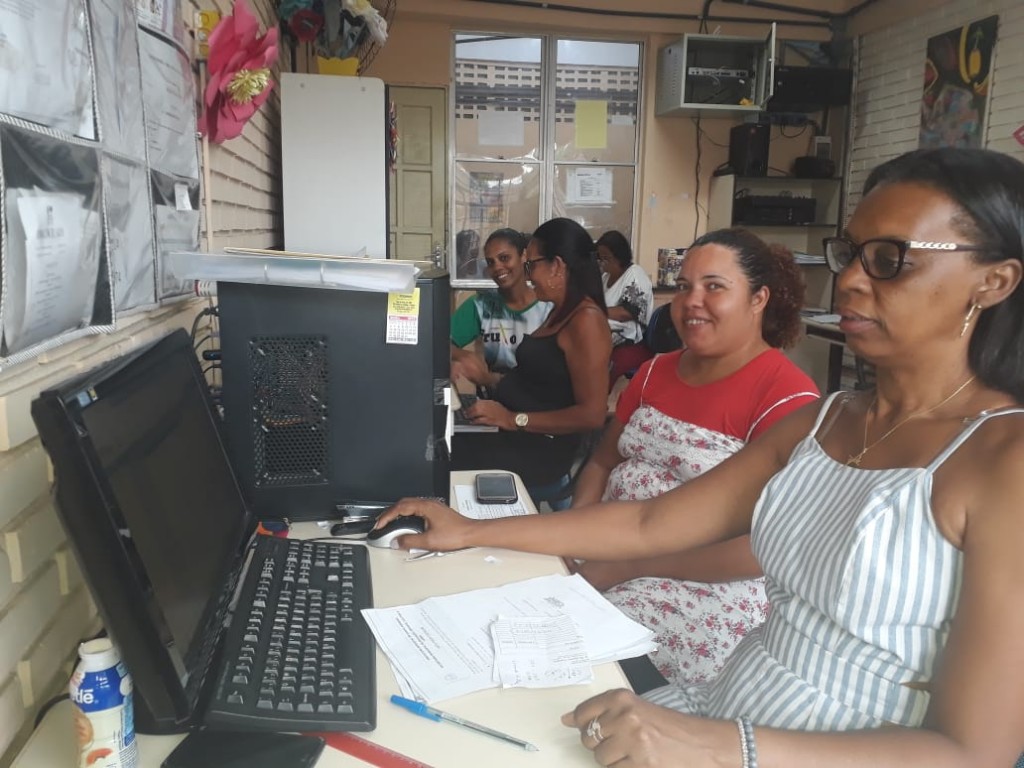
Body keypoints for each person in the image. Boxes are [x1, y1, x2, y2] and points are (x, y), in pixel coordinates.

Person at [377, 147, 1024, 767]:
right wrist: (470, 531)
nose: (851, 279)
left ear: (994, 281)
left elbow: (974, 752)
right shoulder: (826, 420)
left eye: (890, 259)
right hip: (723, 713)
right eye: (852, 253)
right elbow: (648, 522)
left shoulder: (1002, 461)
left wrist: (717, 747)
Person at [572, 227, 819, 686]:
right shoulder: (653, 372)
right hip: (608, 553)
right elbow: (603, 462)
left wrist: (627, 566)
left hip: (704, 586)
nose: (692, 301)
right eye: (684, 286)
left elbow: (766, 551)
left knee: (570, 651)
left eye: (714, 287)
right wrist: (575, 541)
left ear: (758, 298)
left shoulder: (787, 398)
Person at [452, 218, 612, 505]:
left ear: (557, 267)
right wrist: (490, 383)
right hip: (514, 432)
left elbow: (592, 415)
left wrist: (512, 419)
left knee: (447, 460)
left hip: (537, 450)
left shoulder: (585, 321)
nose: (530, 275)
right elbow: (537, 385)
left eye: (532, 265)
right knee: (445, 439)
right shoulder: (559, 312)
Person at [450, 228, 552, 383]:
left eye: (504, 258)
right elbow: (439, 342)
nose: (497, 267)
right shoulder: (482, 305)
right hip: (494, 398)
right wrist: (461, 355)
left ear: (523, 256)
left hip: (539, 401)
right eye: (491, 262)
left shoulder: (547, 308)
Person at [596, 230, 655, 388]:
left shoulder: (634, 275)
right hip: (603, 336)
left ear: (619, 256)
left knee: (599, 372)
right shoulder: (605, 278)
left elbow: (628, 312)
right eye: (600, 258)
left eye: (606, 258)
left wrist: (595, 311)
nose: (602, 263)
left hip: (627, 341)